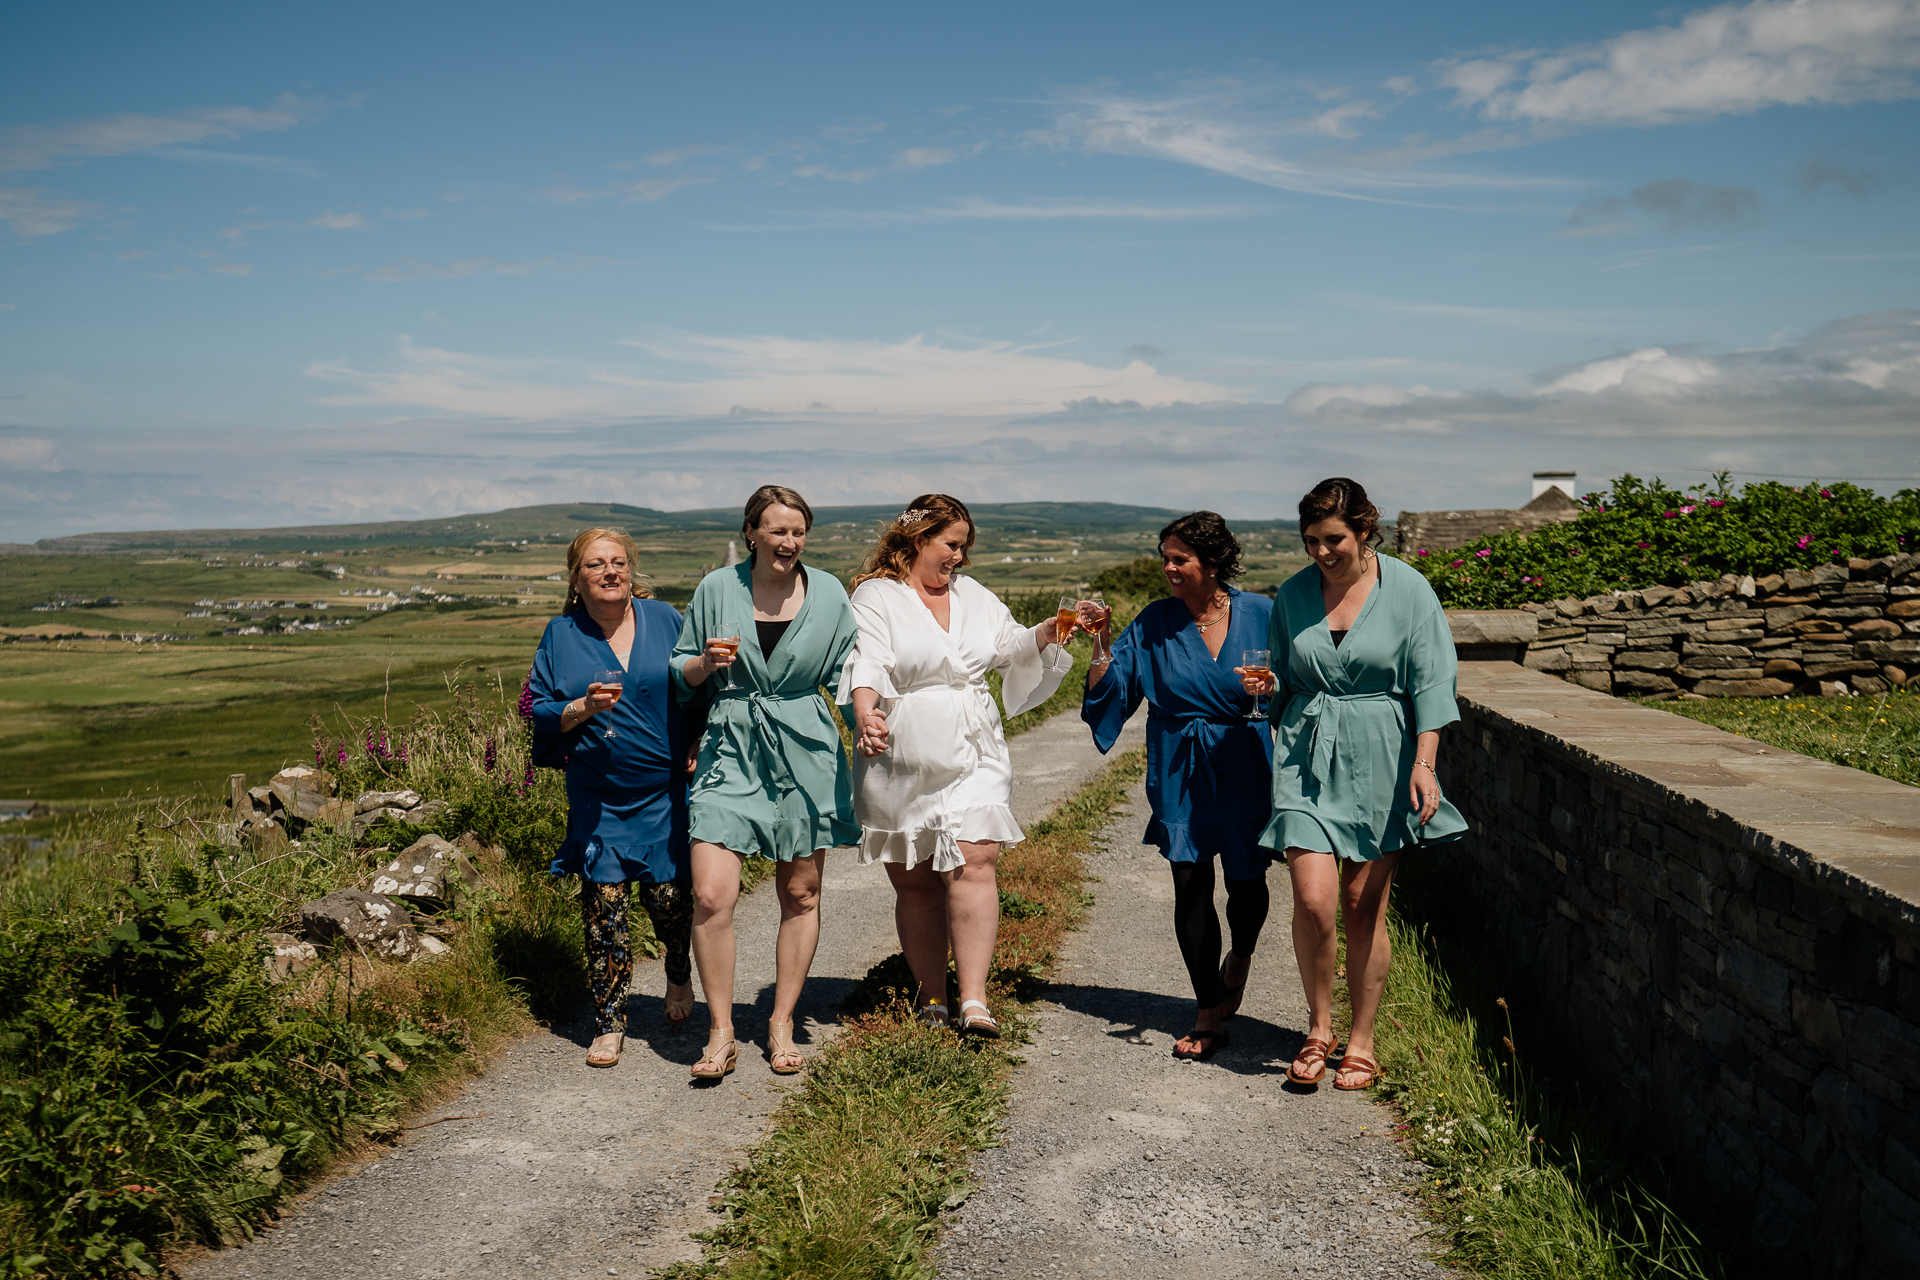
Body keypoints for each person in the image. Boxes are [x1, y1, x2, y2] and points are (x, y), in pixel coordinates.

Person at [1242, 478, 1467, 1091]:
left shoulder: (1409, 590)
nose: (1321, 552)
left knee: (1363, 906)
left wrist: (1425, 763)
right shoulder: (1292, 595)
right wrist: (1268, 691)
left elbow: (1431, 683)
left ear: (1366, 529)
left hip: (1383, 753)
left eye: (1333, 539)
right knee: (1314, 901)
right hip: (1305, 754)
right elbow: (1285, 676)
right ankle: (1319, 1028)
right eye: (1311, 541)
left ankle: (1361, 1039)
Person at [838, 494, 1073, 1038]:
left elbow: (1008, 645)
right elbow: (867, 659)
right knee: (917, 882)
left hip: (974, 744)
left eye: (964, 547)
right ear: (919, 540)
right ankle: (932, 997)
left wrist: (1050, 630)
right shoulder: (877, 595)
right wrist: (866, 712)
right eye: (952, 545)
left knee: (976, 860)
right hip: (901, 748)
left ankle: (973, 999)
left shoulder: (973, 595)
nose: (959, 558)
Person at [672, 485, 860, 1080]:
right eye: (777, 530)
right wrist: (704, 665)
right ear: (751, 532)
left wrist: (869, 720)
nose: (789, 541)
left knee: (800, 893)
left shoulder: (829, 592)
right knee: (709, 895)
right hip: (730, 746)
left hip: (806, 751)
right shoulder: (715, 588)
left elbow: (849, 671)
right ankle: (721, 1032)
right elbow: (681, 668)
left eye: (798, 531)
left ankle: (780, 1020)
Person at [1079, 512, 1275, 1061]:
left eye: (1179, 558)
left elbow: (1298, 687)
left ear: (1212, 562)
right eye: (1164, 555)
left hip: (1243, 759)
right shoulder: (1153, 621)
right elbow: (1114, 689)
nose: (1167, 567)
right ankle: (1207, 1011)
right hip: (1178, 767)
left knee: (1246, 883)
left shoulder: (1262, 613)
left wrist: (1274, 689)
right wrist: (1099, 644)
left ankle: (1240, 955)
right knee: (1189, 882)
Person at [527, 528, 698, 1068]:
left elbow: (699, 690)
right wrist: (581, 709)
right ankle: (609, 1021)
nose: (610, 572)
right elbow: (541, 707)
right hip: (599, 796)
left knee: (669, 902)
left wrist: (696, 739)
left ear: (632, 570)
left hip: (663, 789)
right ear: (577, 578)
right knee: (604, 908)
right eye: (596, 564)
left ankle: (677, 970)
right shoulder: (560, 634)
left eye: (618, 562)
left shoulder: (666, 620)